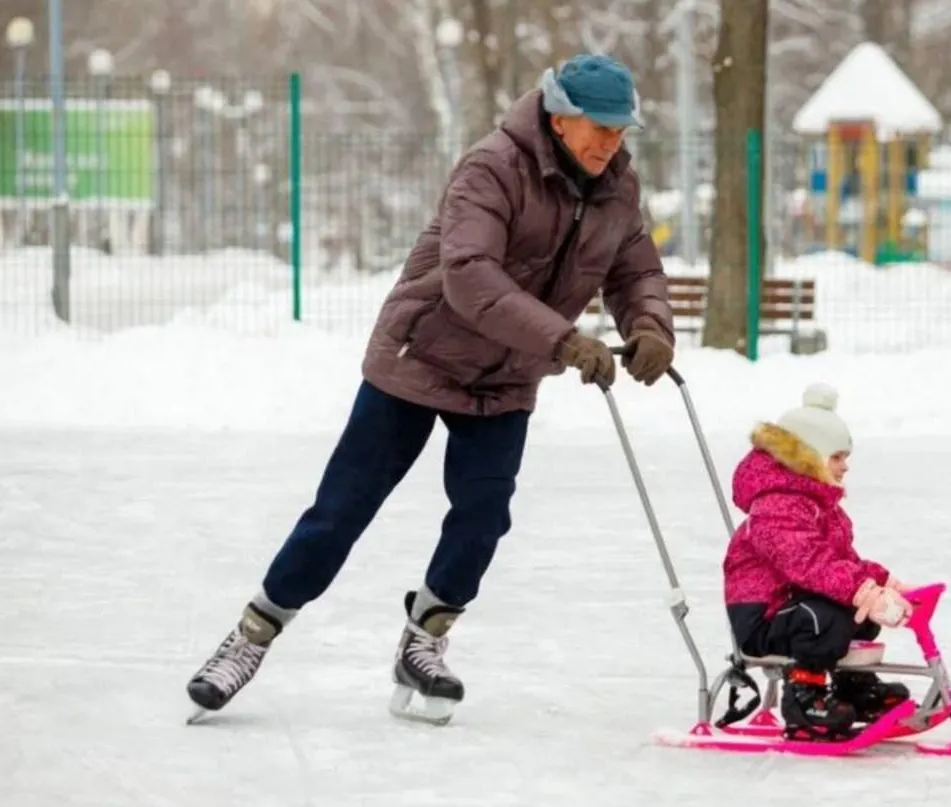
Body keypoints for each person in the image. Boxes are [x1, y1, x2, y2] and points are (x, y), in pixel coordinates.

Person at [186, 53, 676, 721]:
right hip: (420, 357)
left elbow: (633, 267)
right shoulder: (492, 167)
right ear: (559, 118)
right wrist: (563, 340)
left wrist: (650, 326)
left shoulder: (616, 185)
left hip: (506, 375)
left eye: (622, 132)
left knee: (483, 515)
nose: (611, 144)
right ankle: (250, 636)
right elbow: (470, 276)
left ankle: (424, 641)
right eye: (599, 129)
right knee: (341, 511)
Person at [722, 383, 913, 741]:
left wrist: (883, 583)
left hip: (793, 606)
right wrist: (860, 590)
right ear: (808, 456)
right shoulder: (777, 505)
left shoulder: (821, 507)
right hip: (762, 616)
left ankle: (852, 687)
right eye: (837, 456)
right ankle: (804, 699)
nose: (846, 466)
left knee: (857, 615)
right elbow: (807, 561)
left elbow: (840, 562)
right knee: (826, 617)